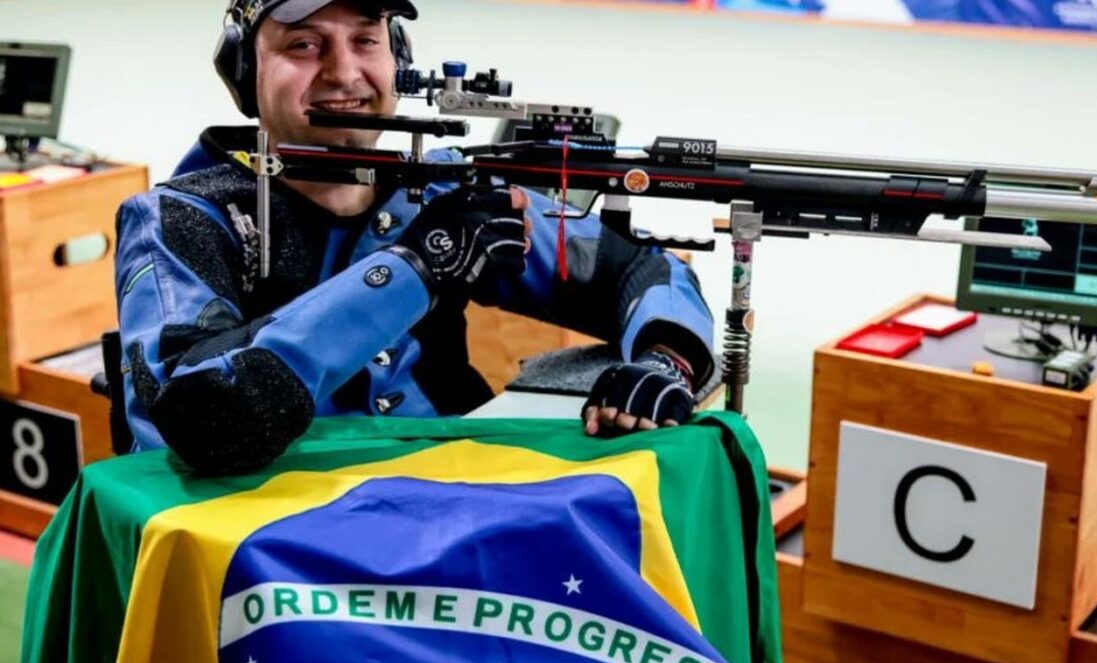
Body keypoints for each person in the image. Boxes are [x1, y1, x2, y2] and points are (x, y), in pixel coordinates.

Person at [114, 0, 714, 475]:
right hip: (272, 545)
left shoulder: (442, 188)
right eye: (304, 44)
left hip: (449, 501)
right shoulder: (180, 221)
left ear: (397, 59)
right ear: (245, 71)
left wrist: (666, 361)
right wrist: (417, 268)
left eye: (367, 39)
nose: (344, 72)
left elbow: (643, 270)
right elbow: (205, 416)